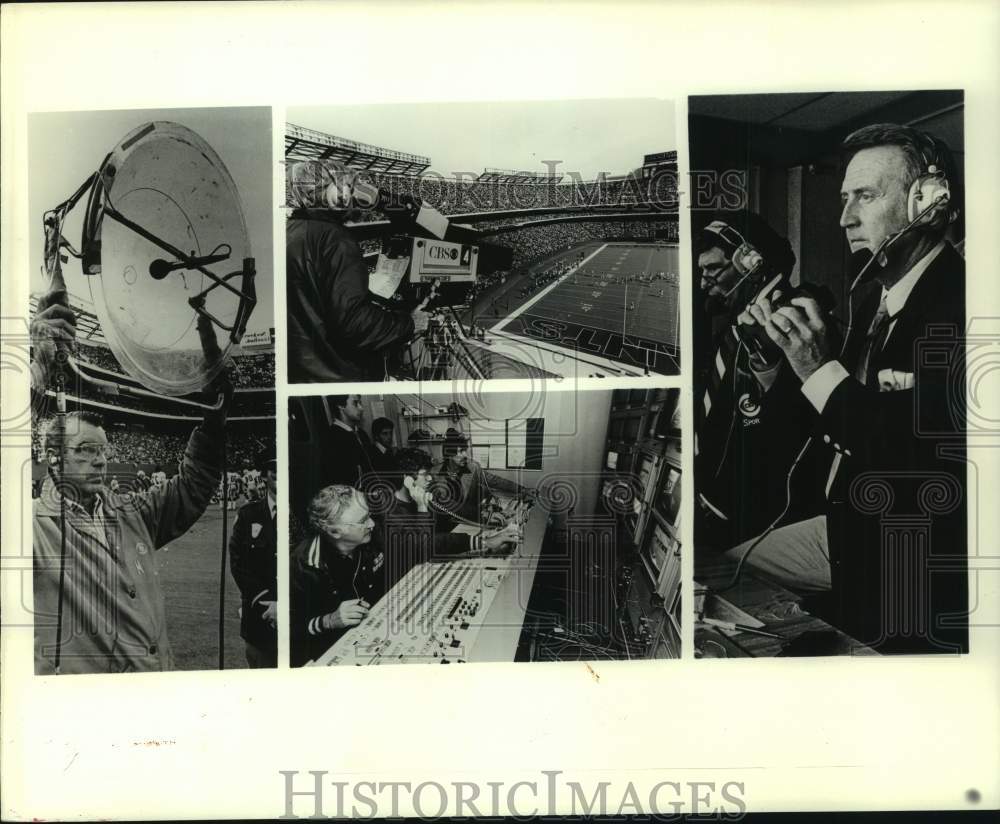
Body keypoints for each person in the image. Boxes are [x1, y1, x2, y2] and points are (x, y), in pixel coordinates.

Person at [728, 123, 966, 654]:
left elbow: (908, 455)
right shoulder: (868, 301)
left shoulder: (964, 305)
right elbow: (827, 421)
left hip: (910, 541)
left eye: (866, 196)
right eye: (843, 198)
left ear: (929, 202)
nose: (845, 218)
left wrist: (817, 369)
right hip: (845, 520)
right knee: (728, 577)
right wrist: (779, 358)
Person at [30, 291, 229, 674]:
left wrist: (214, 422)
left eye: (103, 451)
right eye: (86, 449)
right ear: (53, 458)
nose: (101, 459)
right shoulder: (32, 527)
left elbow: (192, 486)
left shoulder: (132, 511)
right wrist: (36, 369)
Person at [693, 212, 824, 547]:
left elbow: (802, 429)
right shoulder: (735, 326)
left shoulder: (799, 324)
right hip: (713, 504)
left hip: (756, 520)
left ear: (752, 264)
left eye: (712, 270)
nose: (704, 282)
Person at [285, 163, 430, 381]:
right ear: (322, 186)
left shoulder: (291, 230)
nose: (353, 192)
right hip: (339, 373)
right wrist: (409, 323)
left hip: (308, 371)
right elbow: (354, 324)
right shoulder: (334, 238)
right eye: (346, 184)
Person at [289, 485, 383, 667]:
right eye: (363, 520)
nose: (371, 524)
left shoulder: (372, 536)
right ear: (334, 531)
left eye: (369, 515)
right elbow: (288, 630)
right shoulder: (302, 566)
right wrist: (329, 621)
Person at [383, 447, 521, 560]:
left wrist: (488, 516)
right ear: (407, 480)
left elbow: (457, 508)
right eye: (424, 474)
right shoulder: (392, 514)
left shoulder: (425, 493)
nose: (430, 478)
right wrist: (422, 507)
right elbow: (424, 546)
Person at [228, 447, 278, 668]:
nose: (280, 475)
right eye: (273, 470)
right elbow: (238, 563)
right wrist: (265, 599)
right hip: (259, 619)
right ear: (266, 475)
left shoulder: (304, 513)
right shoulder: (248, 515)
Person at [431, 429, 533, 527]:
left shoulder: (472, 468)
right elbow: (450, 506)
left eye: (465, 450)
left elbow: (495, 481)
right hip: (446, 524)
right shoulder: (434, 474)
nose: (465, 455)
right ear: (449, 454)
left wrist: (522, 489)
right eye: (461, 451)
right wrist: (484, 515)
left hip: (468, 520)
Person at [322, 394, 376, 489]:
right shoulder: (331, 438)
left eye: (360, 403)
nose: (361, 408)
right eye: (355, 403)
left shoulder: (362, 434)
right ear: (341, 405)